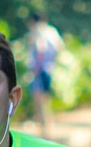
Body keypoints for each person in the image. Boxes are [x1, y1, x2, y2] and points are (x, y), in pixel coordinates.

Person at [26, 11, 65, 139]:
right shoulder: (52, 31)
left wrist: (35, 68)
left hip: (39, 71)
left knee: (39, 103)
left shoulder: (38, 32)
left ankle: (44, 133)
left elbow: (40, 48)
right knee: (46, 103)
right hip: (50, 70)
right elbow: (60, 48)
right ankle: (49, 132)